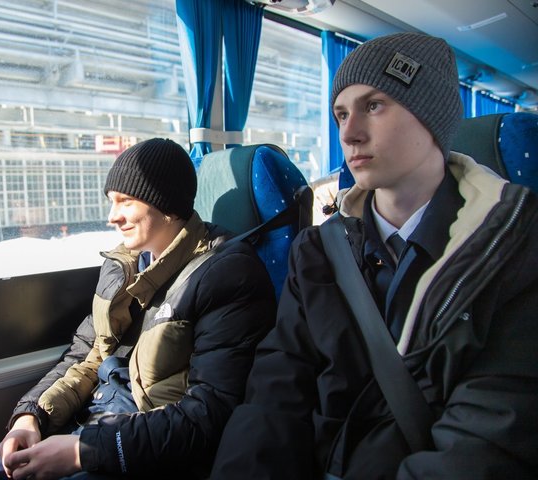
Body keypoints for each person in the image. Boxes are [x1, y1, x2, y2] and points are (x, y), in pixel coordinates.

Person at [211, 32, 538, 479]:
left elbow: (485, 441)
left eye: (374, 105)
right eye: (341, 114)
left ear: (432, 115)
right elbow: (275, 394)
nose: (349, 133)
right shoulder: (318, 251)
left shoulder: (513, 249)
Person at [0, 138, 276, 479]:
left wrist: (85, 451)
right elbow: (86, 354)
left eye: (126, 201)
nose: (112, 217)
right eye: (111, 201)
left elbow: (208, 414)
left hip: (144, 445)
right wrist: (32, 415)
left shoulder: (228, 274)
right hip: (92, 421)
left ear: (167, 204)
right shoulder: (123, 265)